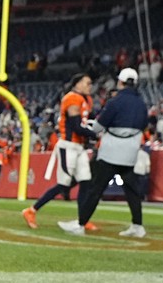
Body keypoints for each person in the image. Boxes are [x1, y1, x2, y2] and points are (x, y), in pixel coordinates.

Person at [58, 68, 149, 238]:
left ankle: (80, 224)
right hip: (130, 152)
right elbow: (144, 124)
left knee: (95, 188)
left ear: (120, 82)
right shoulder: (141, 103)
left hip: (111, 152)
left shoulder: (115, 102)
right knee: (132, 190)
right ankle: (137, 225)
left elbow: (99, 126)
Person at [23, 73, 95, 230]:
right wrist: (95, 133)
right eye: (87, 83)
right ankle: (31, 210)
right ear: (77, 84)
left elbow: (89, 121)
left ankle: (83, 218)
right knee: (63, 184)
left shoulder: (86, 100)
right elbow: (76, 126)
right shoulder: (72, 98)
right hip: (68, 146)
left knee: (85, 182)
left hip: (80, 147)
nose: (90, 86)